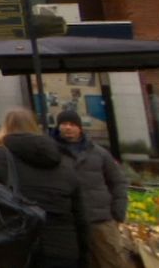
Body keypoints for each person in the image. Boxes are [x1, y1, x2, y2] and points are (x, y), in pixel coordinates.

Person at [0, 108, 87, 268]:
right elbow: (81, 216)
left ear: (5, 128)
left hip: (14, 249)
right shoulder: (63, 161)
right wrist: (82, 255)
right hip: (63, 250)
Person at [53, 109, 128, 268]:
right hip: (67, 224)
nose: (68, 128)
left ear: (80, 127)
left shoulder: (99, 153)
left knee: (110, 261)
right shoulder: (51, 154)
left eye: (72, 124)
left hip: (100, 221)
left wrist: (118, 211)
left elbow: (118, 181)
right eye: (64, 124)